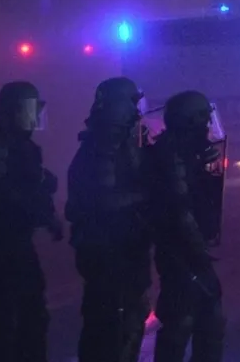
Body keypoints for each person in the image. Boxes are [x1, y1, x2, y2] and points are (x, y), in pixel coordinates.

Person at [0, 81, 63, 362]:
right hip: (6, 239)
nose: (33, 116)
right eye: (28, 108)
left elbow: (31, 187)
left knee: (26, 311)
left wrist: (46, 211)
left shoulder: (21, 147)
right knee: (13, 312)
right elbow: (6, 194)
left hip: (15, 237)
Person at [66, 77, 152, 362]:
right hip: (109, 252)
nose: (136, 111)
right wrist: (146, 196)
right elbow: (104, 202)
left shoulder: (113, 147)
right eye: (131, 102)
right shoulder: (103, 149)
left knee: (118, 325)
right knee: (113, 329)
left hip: (118, 250)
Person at [149, 90, 225, 362]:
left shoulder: (184, 152)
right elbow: (180, 208)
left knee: (209, 317)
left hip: (187, 249)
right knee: (181, 318)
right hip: (178, 252)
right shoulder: (171, 154)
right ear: (188, 121)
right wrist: (197, 250)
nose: (207, 125)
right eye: (202, 119)